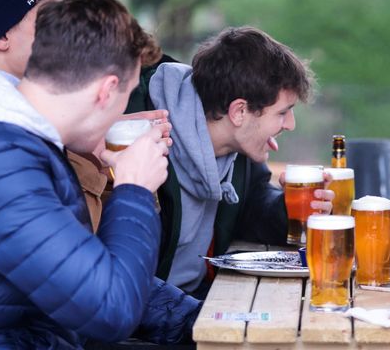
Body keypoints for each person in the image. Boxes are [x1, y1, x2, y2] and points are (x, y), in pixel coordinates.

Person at [0, 0, 199, 346]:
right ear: (107, 91)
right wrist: (135, 189)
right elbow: (112, 311)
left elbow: (82, 274)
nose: (121, 113)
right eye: (123, 99)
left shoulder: (15, 141)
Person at [126, 26, 334, 296]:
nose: (291, 125)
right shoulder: (140, 138)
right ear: (239, 111)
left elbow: (253, 208)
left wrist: (289, 209)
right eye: (283, 112)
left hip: (194, 302)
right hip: (144, 318)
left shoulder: (239, 149)